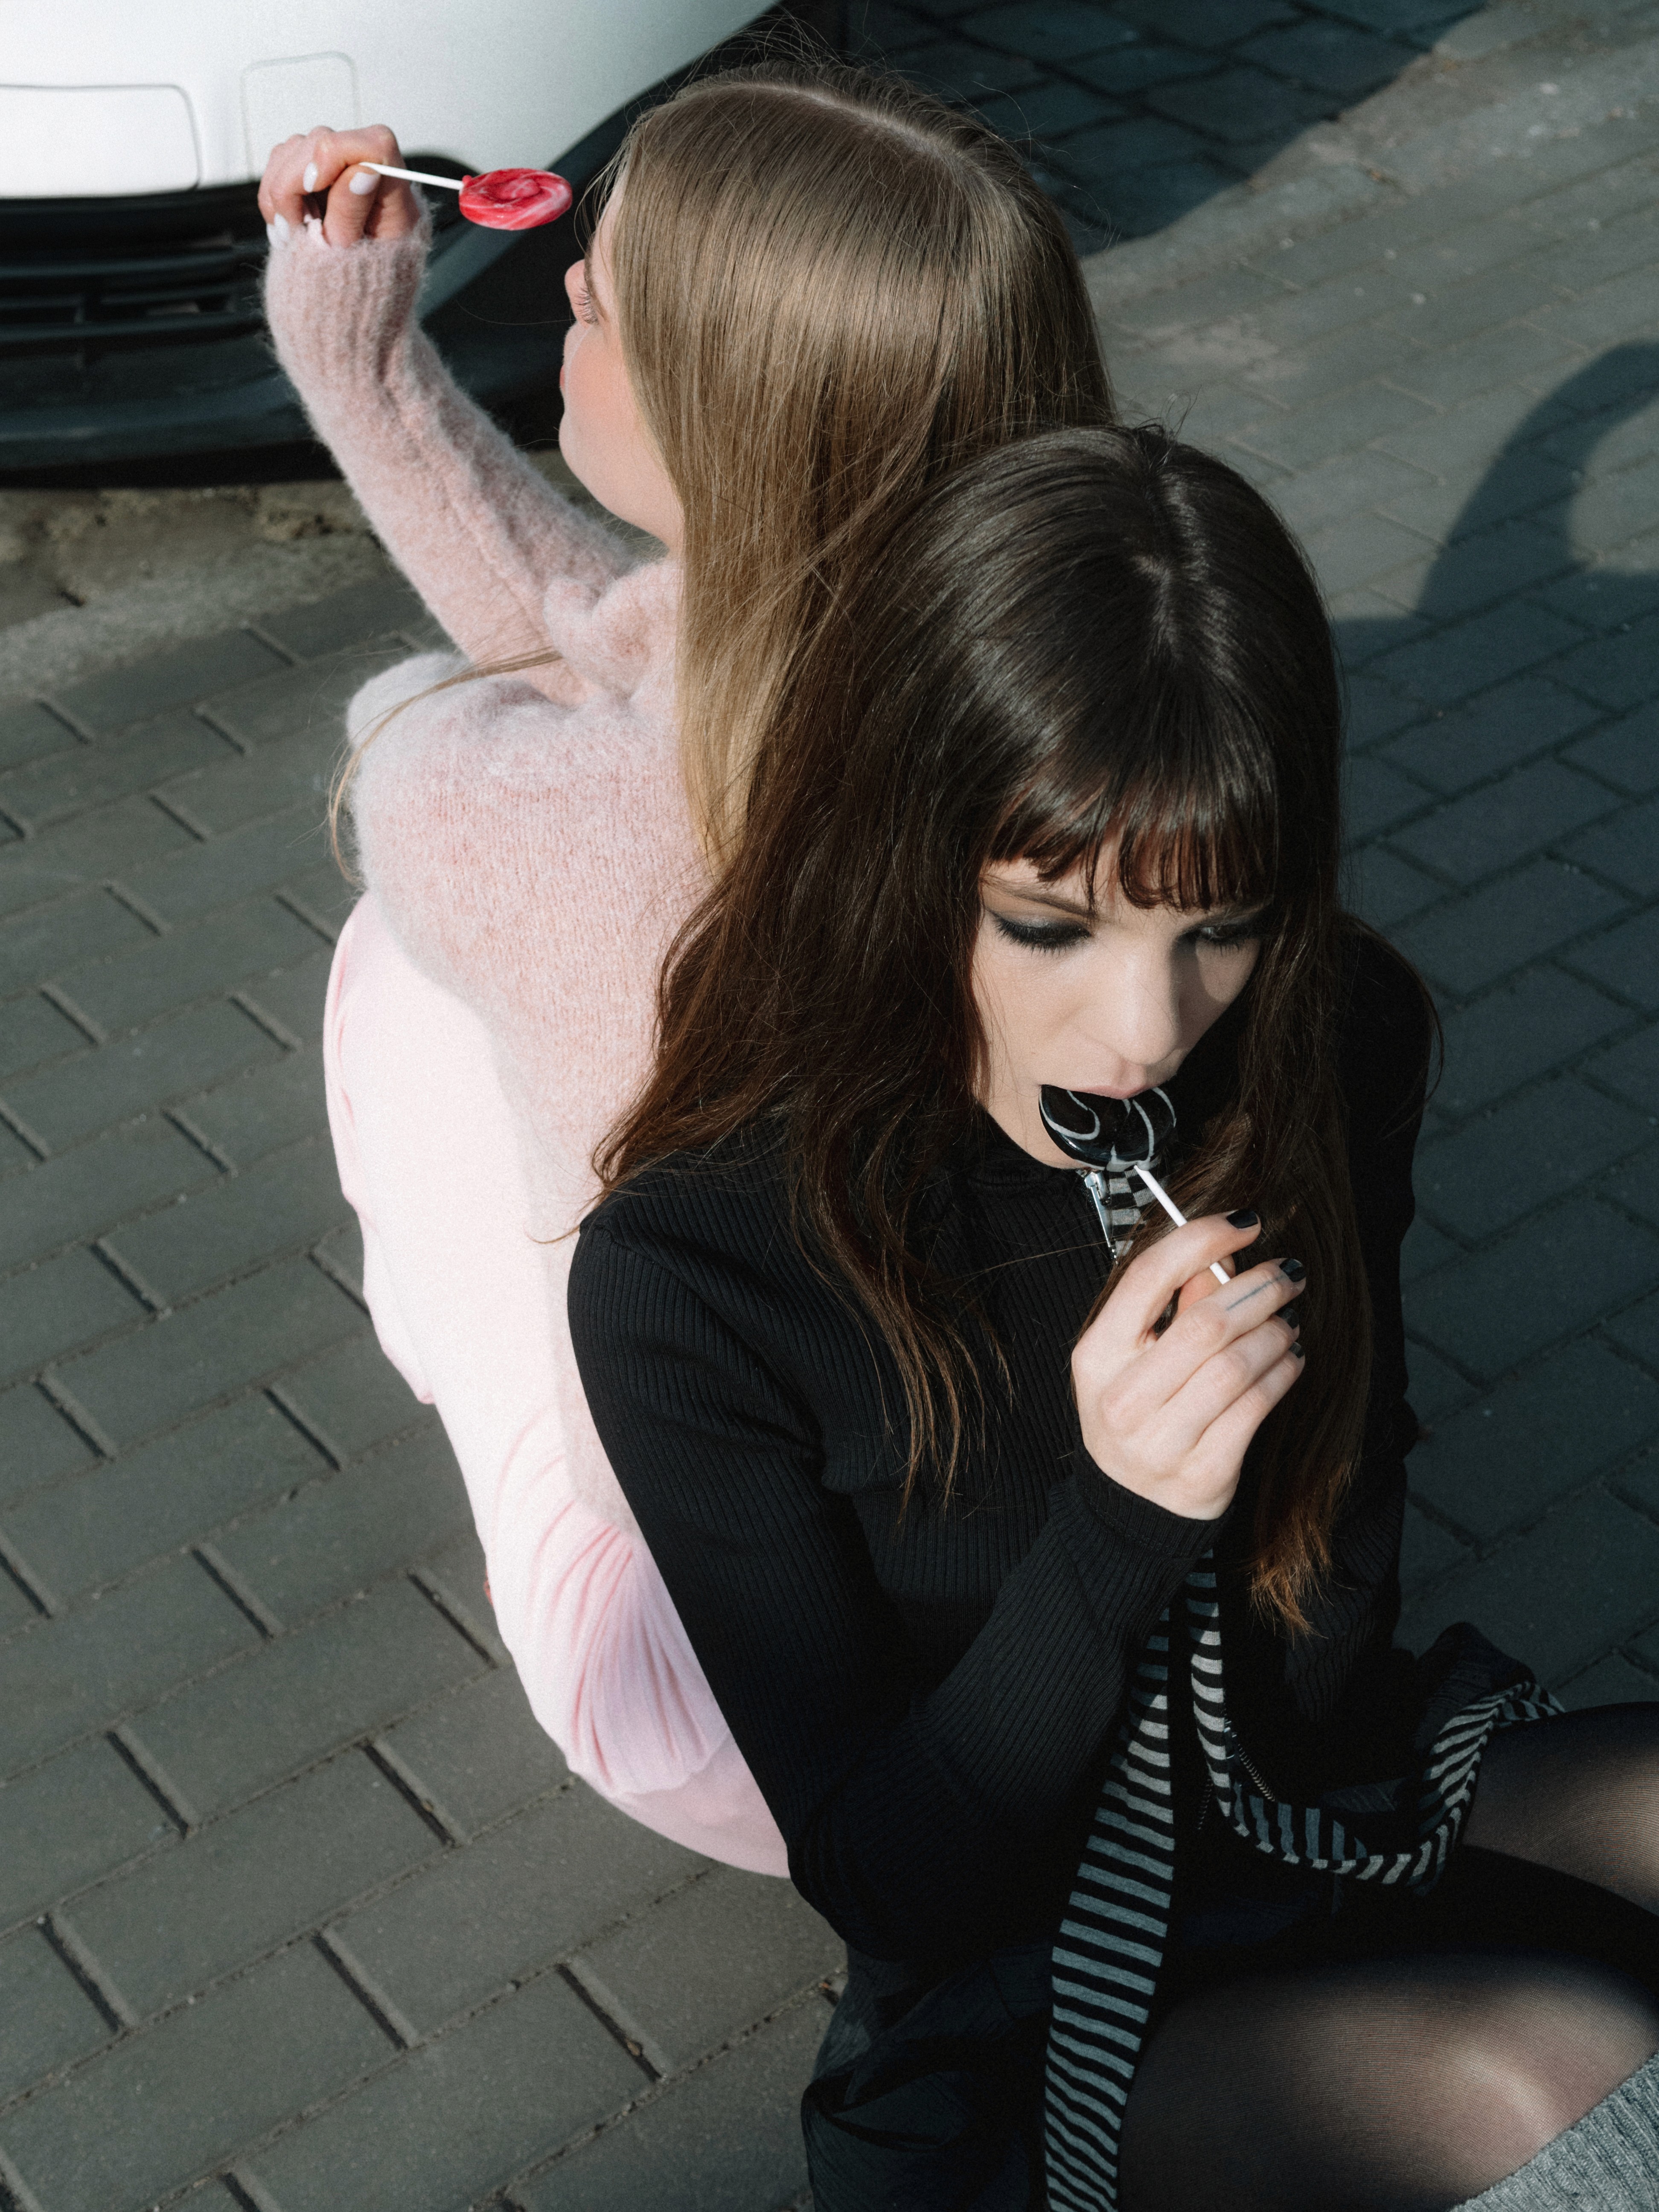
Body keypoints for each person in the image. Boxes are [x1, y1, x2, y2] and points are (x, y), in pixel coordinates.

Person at [568, 425, 1659, 2210]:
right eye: (1049, 926)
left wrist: (1290, 1442)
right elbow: (893, 1884)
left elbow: (1333, 1653)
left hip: (1321, 1799)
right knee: (1545, 2075)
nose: (1148, 1032)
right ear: (901, 850)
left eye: (1220, 925)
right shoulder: (703, 1270)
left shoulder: (1330, 1037)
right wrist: (1123, 1524)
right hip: (1017, 1975)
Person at [255, 56, 1112, 1869]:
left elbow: (501, 701)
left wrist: (447, 705)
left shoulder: (544, 823)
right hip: (1112, 1587)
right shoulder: (1078, 678)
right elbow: (615, 645)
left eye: (603, 297)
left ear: (727, 409)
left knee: (400, 976)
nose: (564, 281)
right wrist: (368, 360)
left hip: (748, 1702)